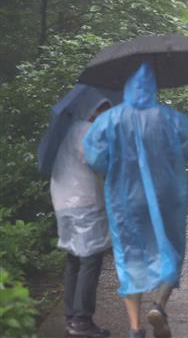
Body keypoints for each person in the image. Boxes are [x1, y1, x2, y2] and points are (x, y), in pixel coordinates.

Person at [83, 63, 188, 338]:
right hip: (166, 194)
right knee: (169, 247)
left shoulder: (109, 120)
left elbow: (95, 158)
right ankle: (159, 304)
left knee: (129, 255)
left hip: (125, 198)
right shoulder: (171, 117)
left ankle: (135, 327)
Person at [51, 100, 113, 338]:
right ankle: (82, 321)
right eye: (104, 109)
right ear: (94, 110)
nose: (107, 114)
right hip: (83, 203)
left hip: (64, 201)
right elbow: (99, 162)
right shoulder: (87, 131)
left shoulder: (70, 130)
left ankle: (72, 318)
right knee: (90, 259)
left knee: (75, 258)